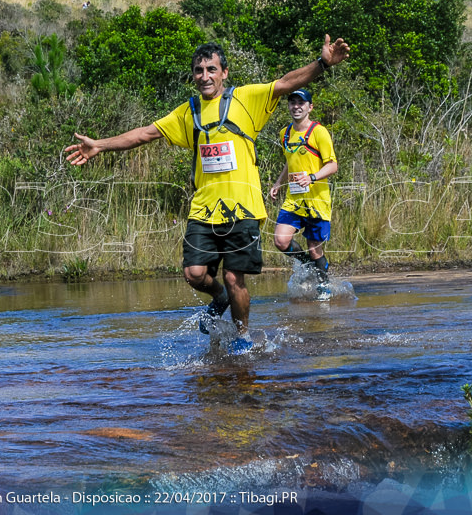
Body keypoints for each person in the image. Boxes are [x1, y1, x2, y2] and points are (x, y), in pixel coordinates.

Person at [64, 35, 350, 352]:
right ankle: (220, 299)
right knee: (194, 273)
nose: (205, 76)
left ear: (224, 73)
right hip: (204, 209)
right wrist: (99, 146)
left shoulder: (246, 99)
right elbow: (146, 134)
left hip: (243, 209)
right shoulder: (188, 113)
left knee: (233, 277)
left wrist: (322, 63)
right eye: (199, 70)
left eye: (211, 69)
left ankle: (242, 336)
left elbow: (284, 83)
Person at [269, 88, 338, 292]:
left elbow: (333, 165)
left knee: (315, 250)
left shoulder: (319, 132)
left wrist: (311, 178)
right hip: (294, 199)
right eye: (292, 103)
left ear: (310, 107)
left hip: (317, 200)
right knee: (281, 241)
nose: (296, 106)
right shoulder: (285, 133)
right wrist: (278, 183)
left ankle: (323, 286)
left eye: (301, 103)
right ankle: (307, 265)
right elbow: (290, 162)